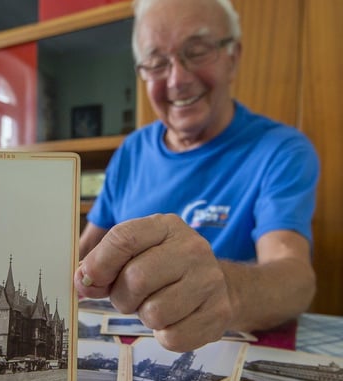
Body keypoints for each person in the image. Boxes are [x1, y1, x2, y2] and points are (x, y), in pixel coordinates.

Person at [74, 0, 319, 352]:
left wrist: (225, 290)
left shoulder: (282, 150)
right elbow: (85, 252)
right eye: (157, 63)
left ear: (233, 56)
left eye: (198, 51)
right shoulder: (132, 150)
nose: (178, 80)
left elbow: (295, 277)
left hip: (231, 354)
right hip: (123, 352)